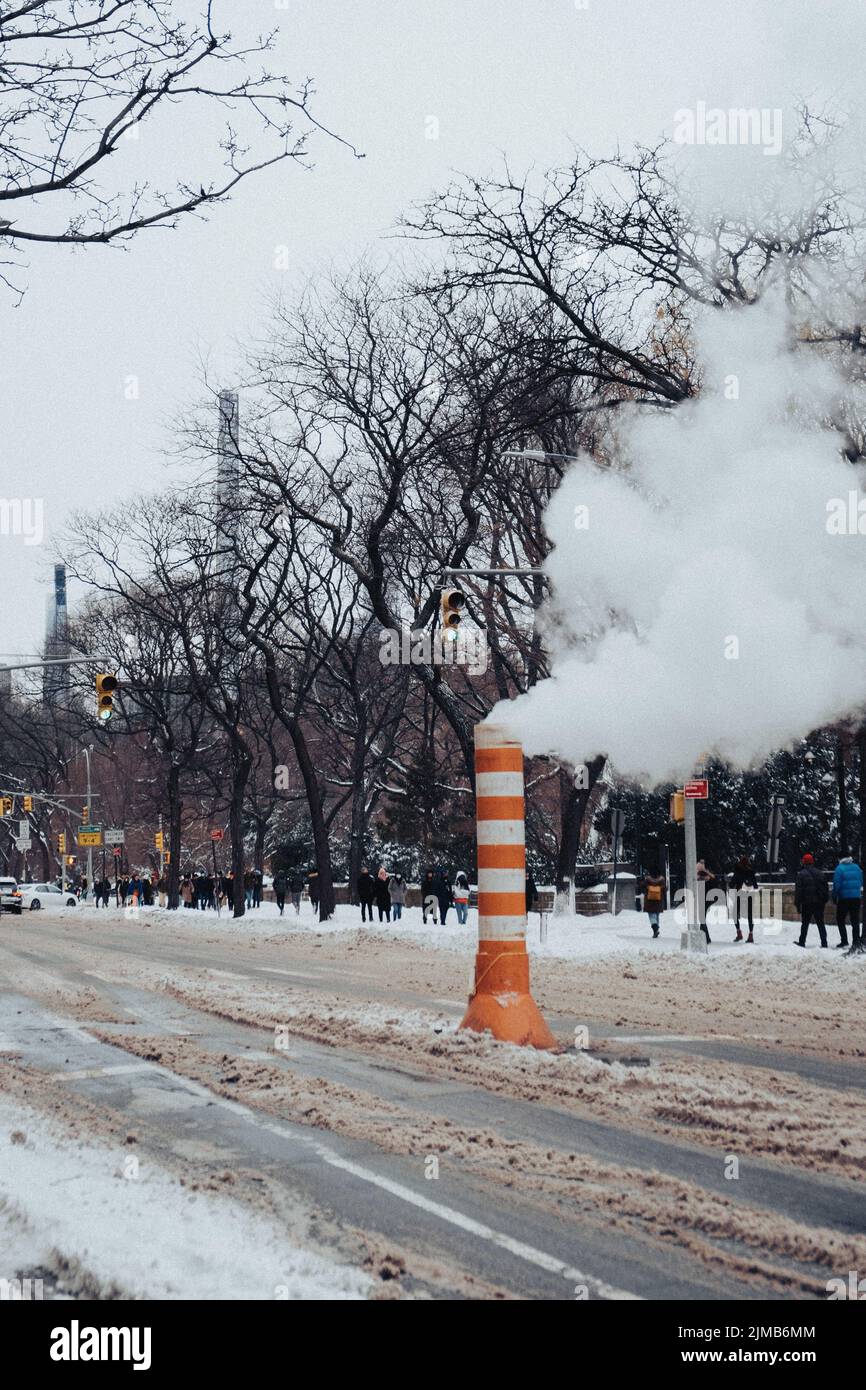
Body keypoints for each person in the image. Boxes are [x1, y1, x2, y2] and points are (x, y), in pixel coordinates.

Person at [831, 850, 862, 951]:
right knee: (855, 920)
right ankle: (856, 941)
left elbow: (837, 884)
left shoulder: (839, 869)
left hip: (844, 898)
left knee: (840, 919)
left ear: (840, 858)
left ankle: (844, 940)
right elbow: (860, 881)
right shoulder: (857, 867)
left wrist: (834, 895)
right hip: (856, 898)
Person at [795, 853, 828, 947]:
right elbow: (825, 889)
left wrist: (797, 905)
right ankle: (824, 942)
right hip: (819, 903)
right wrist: (824, 900)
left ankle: (802, 941)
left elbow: (799, 892)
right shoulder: (820, 873)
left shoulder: (801, 875)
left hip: (807, 903)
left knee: (805, 923)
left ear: (804, 862)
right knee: (820, 923)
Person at [730, 854, 758, 943]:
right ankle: (751, 935)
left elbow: (731, 885)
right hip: (749, 894)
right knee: (750, 915)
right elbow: (756, 886)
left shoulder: (737, 872)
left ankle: (739, 933)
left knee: (735, 914)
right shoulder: (751, 872)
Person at [695, 859, 716, 944]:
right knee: (702, 917)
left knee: (701, 918)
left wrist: (702, 871)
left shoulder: (702, 876)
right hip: (706, 898)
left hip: (705, 898)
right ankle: (703, 936)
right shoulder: (707, 876)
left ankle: (706, 938)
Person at [642, 868, 665, 938]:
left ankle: (655, 929)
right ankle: (656, 929)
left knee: (652, 915)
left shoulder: (647, 879)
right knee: (657, 915)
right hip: (658, 900)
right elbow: (664, 888)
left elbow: (642, 886)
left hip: (649, 901)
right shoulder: (662, 879)